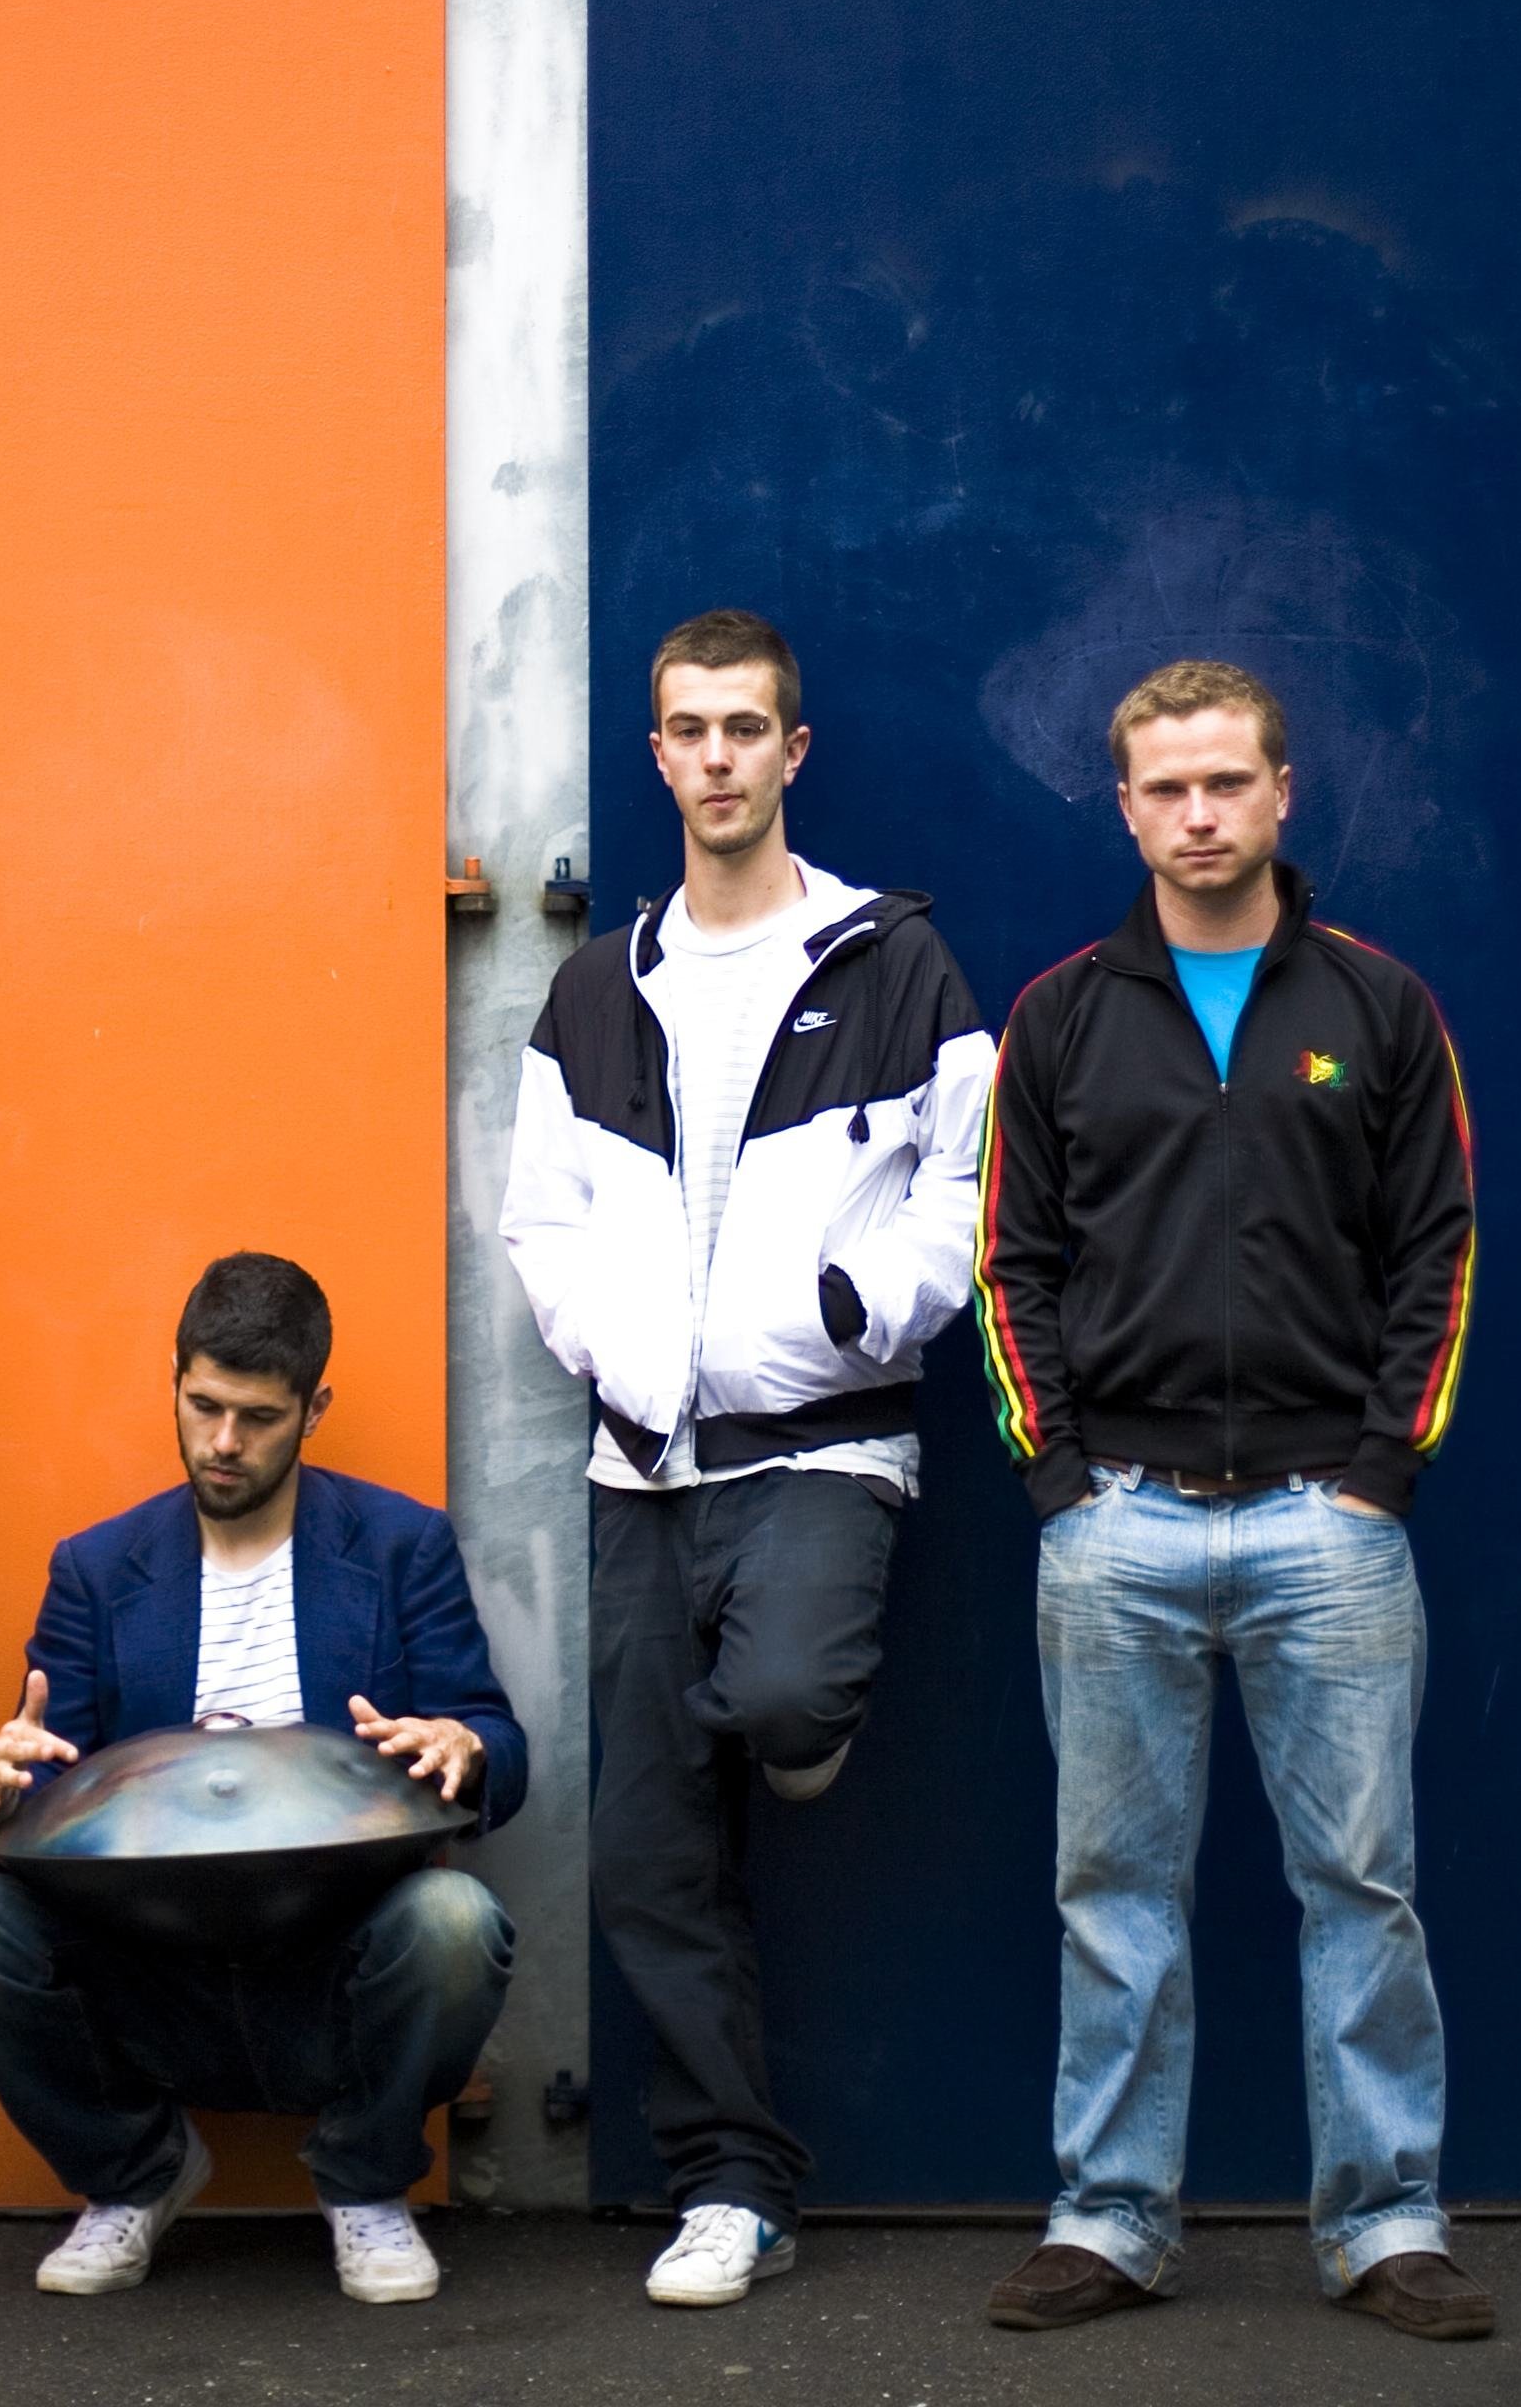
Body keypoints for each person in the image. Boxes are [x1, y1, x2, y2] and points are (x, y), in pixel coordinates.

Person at [970, 659, 1487, 2341]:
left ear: (1282, 793)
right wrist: (1057, 1476)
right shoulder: (1059, 1018)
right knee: (1115, 1888)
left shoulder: (1378, 1006)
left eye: (1225, 783)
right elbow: (1008, 1260)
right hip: (1115, 1520)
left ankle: (1387, 2220)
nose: (1198, 814)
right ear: (1126, 809)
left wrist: (1380, 1474)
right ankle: (1110, 2217)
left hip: (1325, 1525)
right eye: (1166, 789)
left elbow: (1437, 1251)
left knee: (1361, 1885)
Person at [496, 607, 991, 2308]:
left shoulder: (892, 962)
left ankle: (791, 1730)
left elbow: (969, 1186)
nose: (717, 758)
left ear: (794, 751)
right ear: (657, 755)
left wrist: (862, 1306)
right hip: (643, 1463)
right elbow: (542, 1218)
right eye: (689, 731)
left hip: (825, 1440)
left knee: (781, 1695)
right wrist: (609, 1352)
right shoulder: (595, 986)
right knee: (650, 1849)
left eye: (745, 729)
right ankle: (731, 2183)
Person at [0, 1253, 524, 2307]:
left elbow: (496, 1740)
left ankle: (368, 2182)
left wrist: (464, 1746)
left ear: (313, 1409)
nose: (224, 1442)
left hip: (338, 1955)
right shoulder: (98, 1568)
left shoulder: (402, 1546)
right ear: (176, 1381)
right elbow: (42, 1786)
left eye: (259, 1416)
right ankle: (134, 2173)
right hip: (146, 1965)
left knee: (458, 1919)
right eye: (204, 1407)